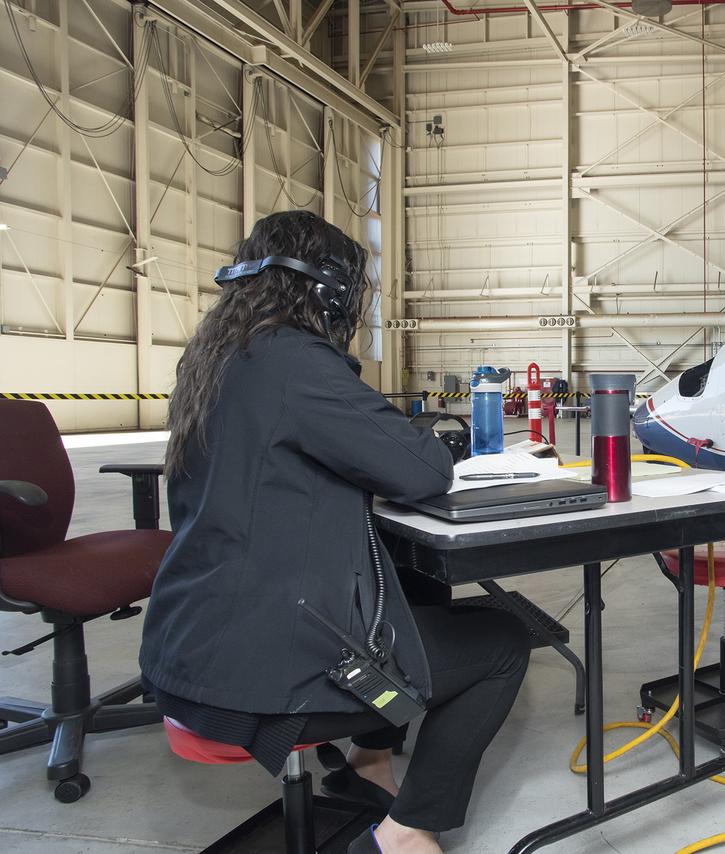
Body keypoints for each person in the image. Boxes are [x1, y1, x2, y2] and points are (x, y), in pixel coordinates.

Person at [140, 210, 529, 854]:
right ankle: (407, 834)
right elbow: (421, 469)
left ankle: (366, 767)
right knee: (501, 643)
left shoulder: (212, 361)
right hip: (254, 674)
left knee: (415, 590)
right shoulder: (293, 361)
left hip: (187, 649)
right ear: (329, 292)